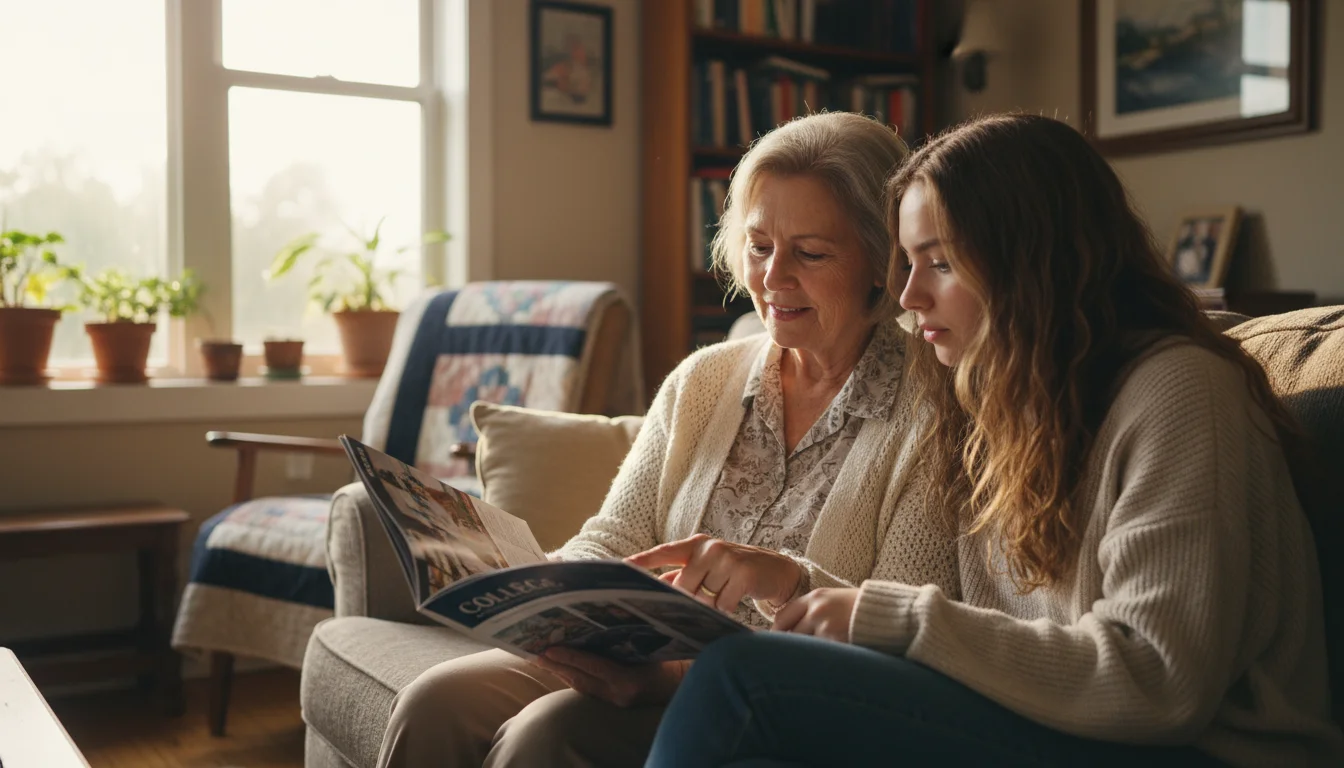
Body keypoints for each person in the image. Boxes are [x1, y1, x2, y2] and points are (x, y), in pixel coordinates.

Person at [646, 113, 1344, 767]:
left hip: (1196, 751)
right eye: (907, 264)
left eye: (939, 263)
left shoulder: (1181, 394)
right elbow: (979, 639)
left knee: (744, 678)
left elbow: (1158, 683)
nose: (908, 296)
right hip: (1056, 726)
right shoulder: (997, 406)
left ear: (1030, 260)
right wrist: (798, 581)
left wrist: (882, 617)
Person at [376, 112, 960, 768]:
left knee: (543, 737)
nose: (772, 278)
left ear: (883, 261)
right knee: (433, 701)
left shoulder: (935, 409)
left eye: (811, 252)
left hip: (771, 695)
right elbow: (617, 536)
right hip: (633, 655)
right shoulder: (704, 380)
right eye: (760, 245)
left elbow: (897, 623)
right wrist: (543, 594)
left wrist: (682, 672)